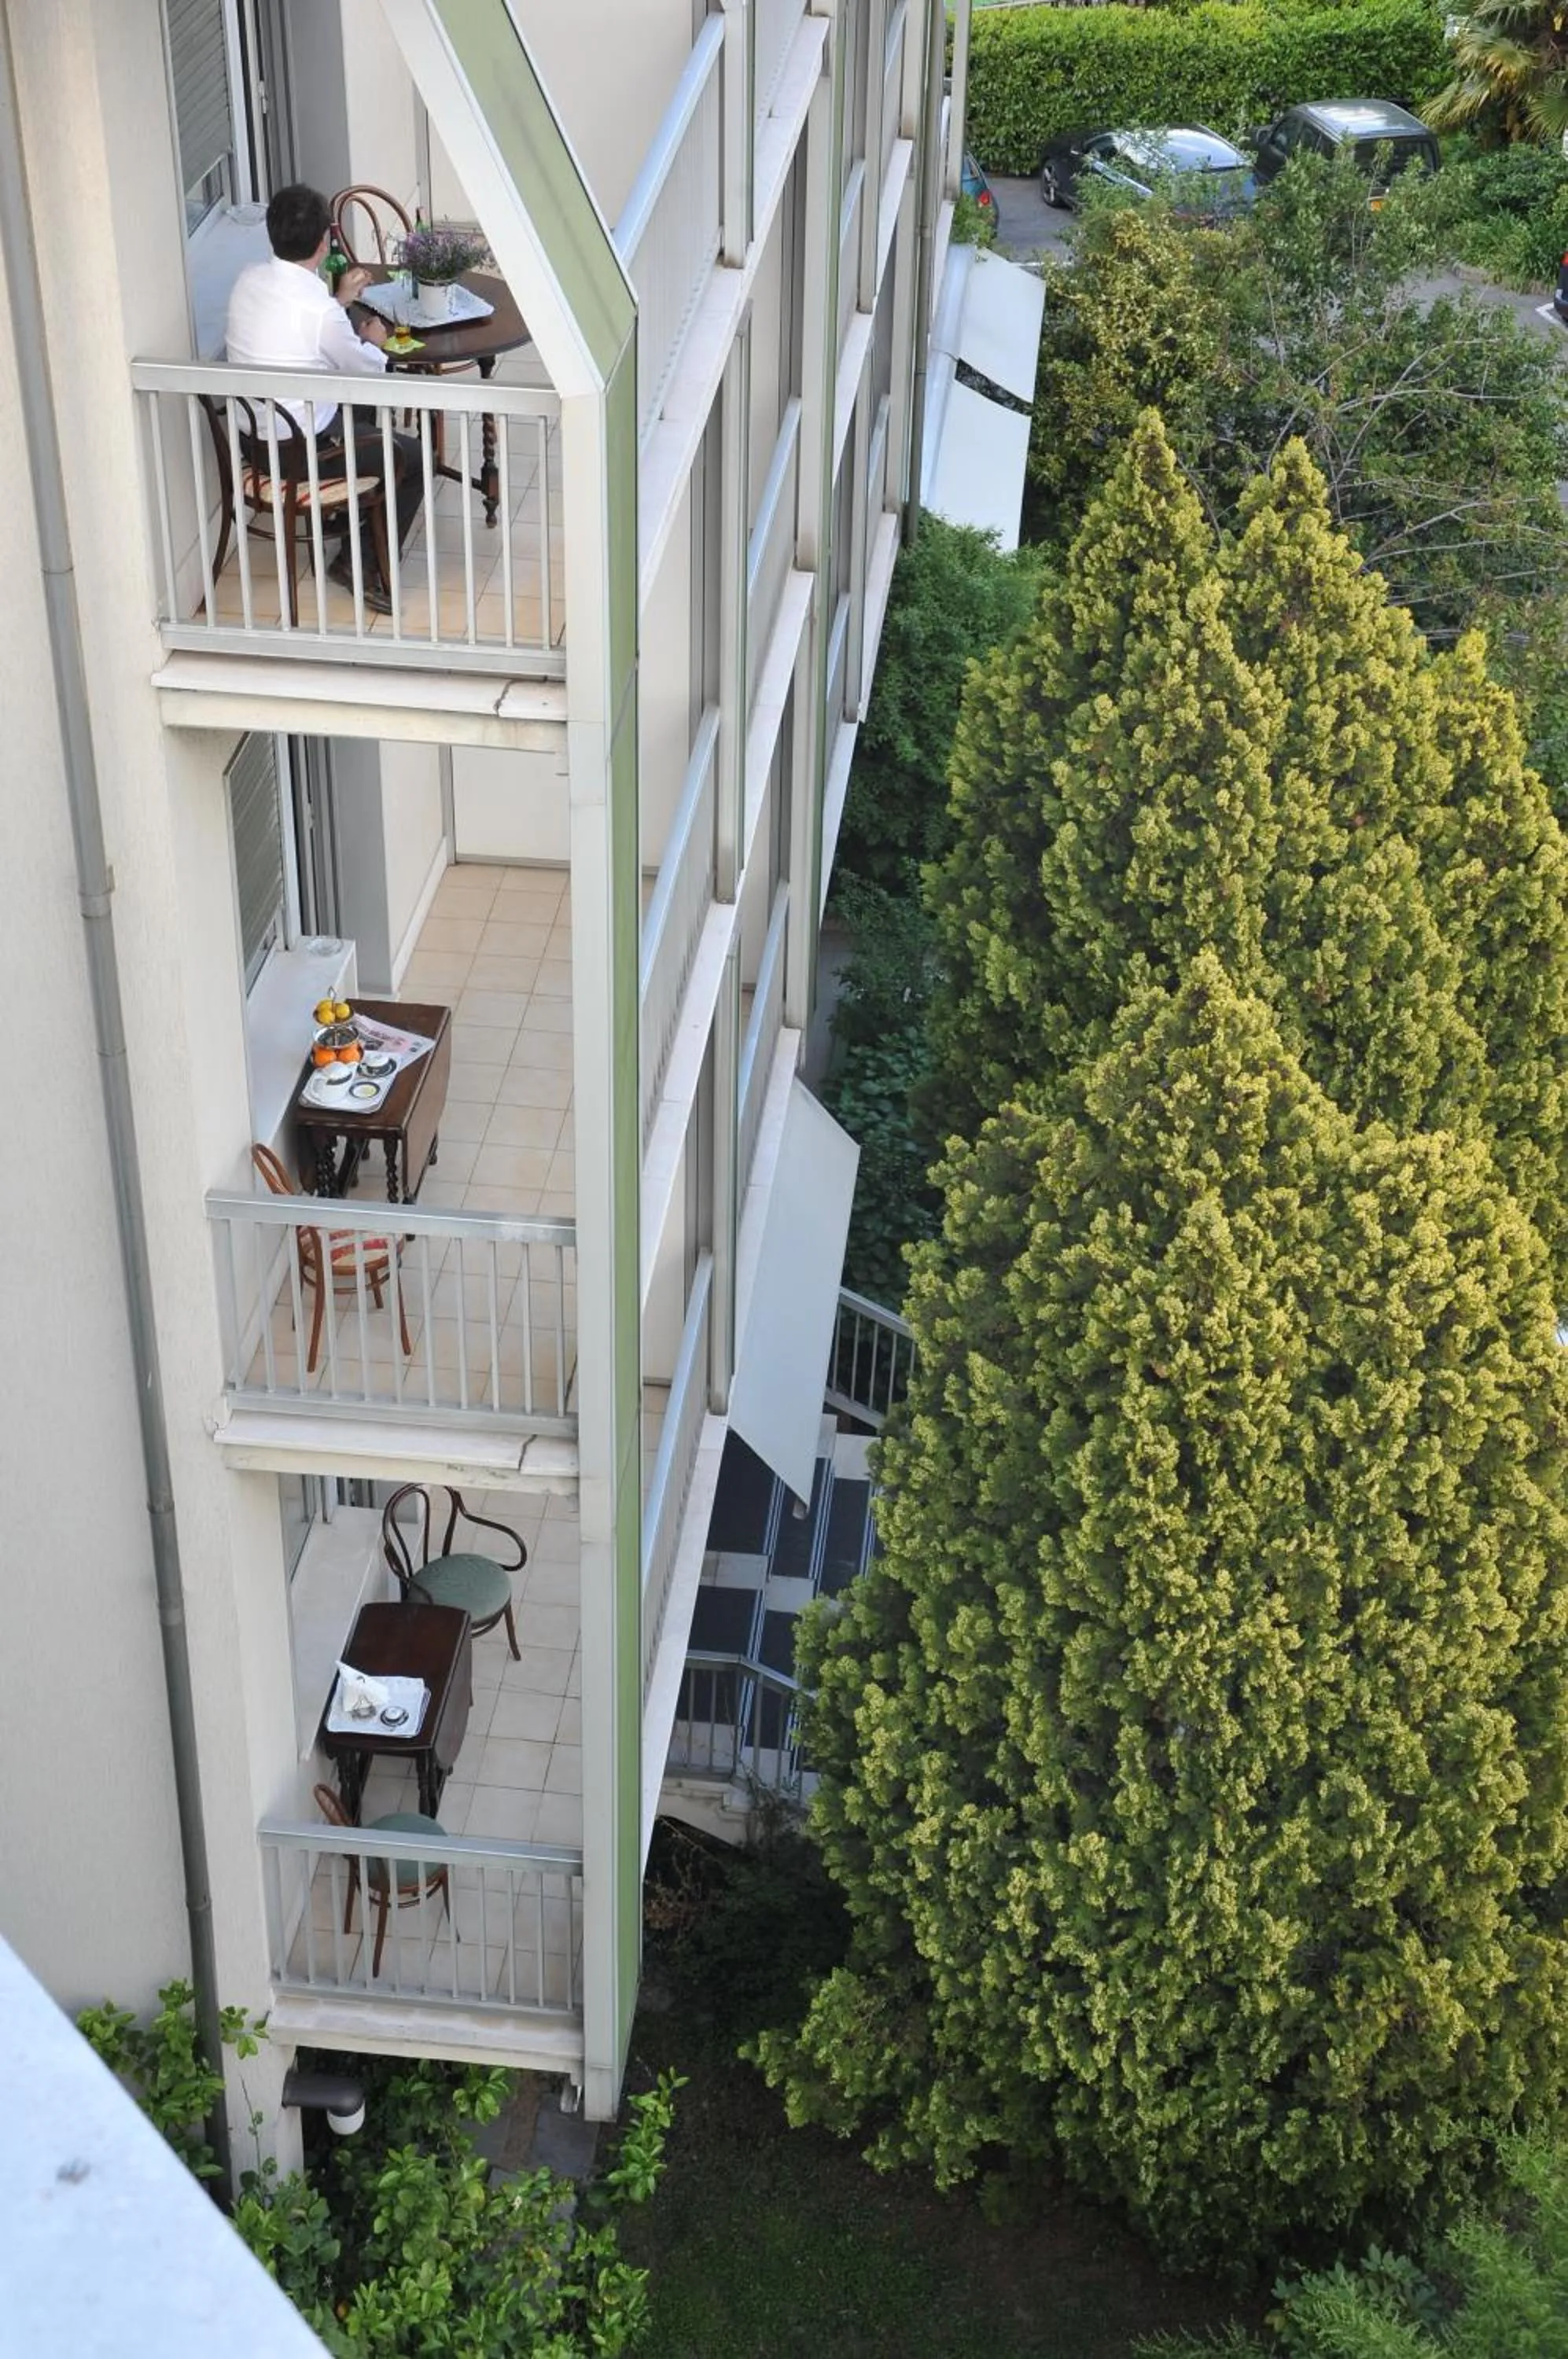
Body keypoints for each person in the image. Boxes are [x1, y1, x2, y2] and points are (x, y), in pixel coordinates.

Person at [225, 184, 423, 614]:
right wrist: (375, 341)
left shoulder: (248, 280)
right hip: (302, 457)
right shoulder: (319, 312)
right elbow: (365, 368)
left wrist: (338, 302)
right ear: (323, 243)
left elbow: (303, 333)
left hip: (251, 441)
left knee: (357, 408)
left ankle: (345, 517)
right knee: (413, 457)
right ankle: (359, 564)